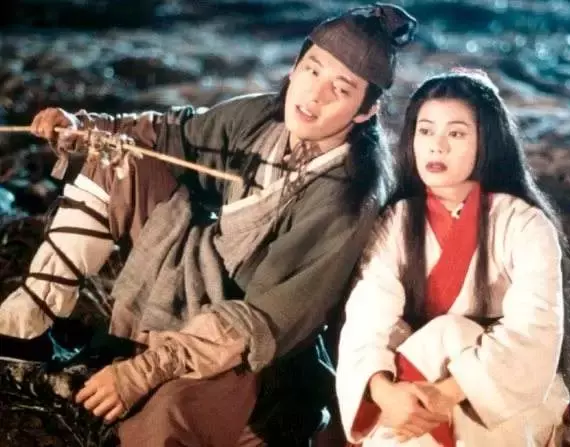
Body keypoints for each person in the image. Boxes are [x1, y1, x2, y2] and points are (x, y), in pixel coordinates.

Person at [0, 4, 418, 445]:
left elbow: (264, 320)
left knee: (165, 419)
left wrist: (143, 371)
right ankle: (28, 322)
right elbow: (169, 133)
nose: (315, 95)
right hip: (201, 274)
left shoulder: (348, 198)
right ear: (295, 66)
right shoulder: (261, 117)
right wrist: (84, 127)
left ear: (365, 111)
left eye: (341, 88)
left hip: (255, 347)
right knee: (116, 156)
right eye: (312, 70)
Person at [335, 69, 570, 446]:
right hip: (411, 388)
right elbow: (367, 320)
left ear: (487, 142)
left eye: (456, 134)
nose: (437, 146)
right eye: (425, 131)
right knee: (432, 342)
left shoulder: (524, 223)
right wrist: (384, 391)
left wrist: (443, 393)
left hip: (502, 399)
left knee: (449, 334)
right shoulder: (396, 222)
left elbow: (534, 331)